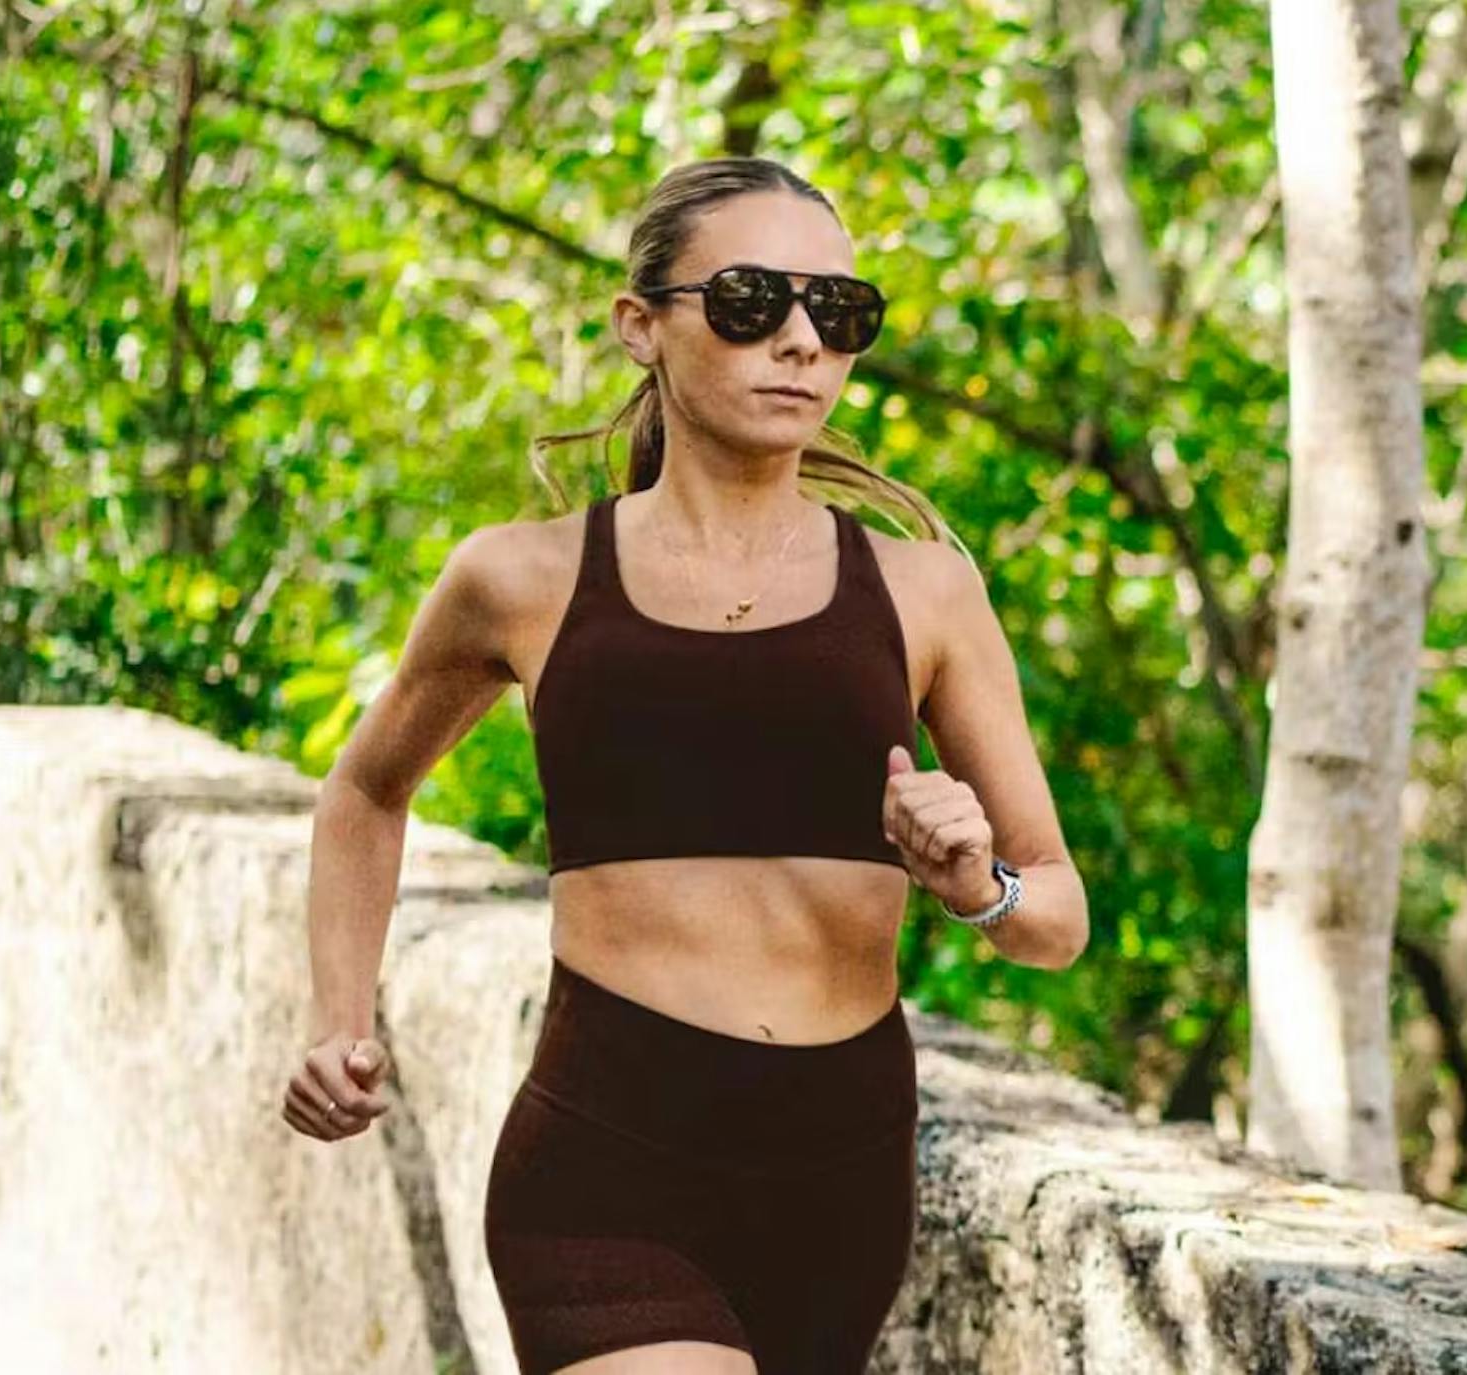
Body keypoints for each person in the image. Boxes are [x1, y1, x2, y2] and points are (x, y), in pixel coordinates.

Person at [280, 155, 1088, 1375]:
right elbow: (364, 790)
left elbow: (1056, 918)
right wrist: (337, 1018)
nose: (803, 342)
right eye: (754, 302)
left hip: (838, 1178)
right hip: (609, 1165)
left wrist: (978, 885)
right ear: (640, 326)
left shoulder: (923, 589)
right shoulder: (522, 578)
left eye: (840, 312)